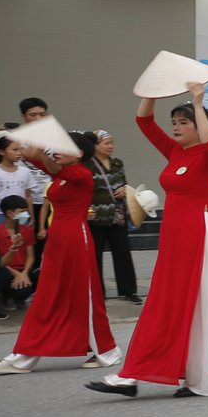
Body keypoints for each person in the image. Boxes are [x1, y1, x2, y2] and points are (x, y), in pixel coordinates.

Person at [86, 85, 208, 399]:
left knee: (191, 305)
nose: (175, 127)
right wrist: (152, 90)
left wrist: (198, 103)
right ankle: (140, 373)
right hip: (174, 236)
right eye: (174, 121)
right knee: (165, 304)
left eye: (182, 122)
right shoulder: (176, 151)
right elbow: (145, 122)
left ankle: (193, 379)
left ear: (199, 125)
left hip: (196, 235)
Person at [0, 131, 121, 374]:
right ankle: (102, 349)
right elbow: (38, 160)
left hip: (75, 241)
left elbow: (50, 166)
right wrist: (21, 139)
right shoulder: (60, 175)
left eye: (63, 147)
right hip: (57, 241)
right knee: (56, 296)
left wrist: (40, 153)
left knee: (77, 296)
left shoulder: (82, 173)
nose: (57, 151)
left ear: (80, 154)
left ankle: (25, 355)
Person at [85, 129, 139, 304]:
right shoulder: (87, 165)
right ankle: (98, 292)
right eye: (106, 143)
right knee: (95, 256)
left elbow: (124, 183)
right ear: (95, 145)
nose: (110, 146)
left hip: (117, 216)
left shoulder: (117, 163)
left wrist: (124, 189)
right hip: (96, 217)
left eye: (111, 143)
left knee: (123, 252)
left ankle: (129, 290)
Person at [0, 195, 39, 308]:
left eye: (26, 211)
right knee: (3, 276)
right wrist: (17, 274)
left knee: (42, 273)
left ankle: (18, 294)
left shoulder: (27, 230)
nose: (26, 215)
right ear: (9, 213)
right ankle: (4, 294)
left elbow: (30, 256)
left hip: (23, 270)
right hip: (6, 270)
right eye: (22, 212)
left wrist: (25, 273)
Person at [0, 139, 40, 226]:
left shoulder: (26, 172)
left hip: (21, 213)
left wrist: (32, 218)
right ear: (1, 151)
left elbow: (28, 197)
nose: (19, 153)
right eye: (15, 150)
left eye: (20, 149)